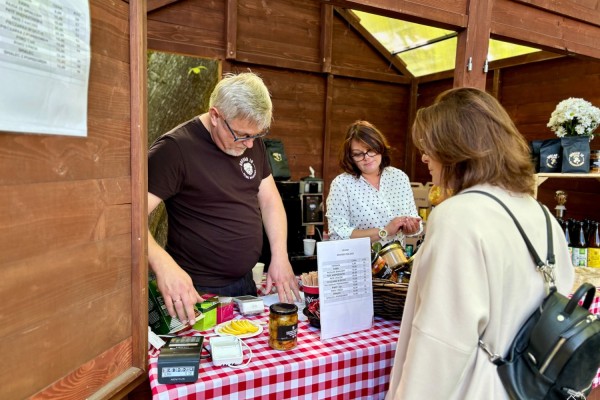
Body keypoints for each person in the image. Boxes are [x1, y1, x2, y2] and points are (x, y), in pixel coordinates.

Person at [385, 88, 574, 399]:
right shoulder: (542, 214)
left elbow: (440, 346)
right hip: (528, 388)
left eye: (429, 146)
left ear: (455, 149)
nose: (424, 156)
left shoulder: (457, 217)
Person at [148, 72, 300, 326]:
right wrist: (163, 264)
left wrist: (280, 255)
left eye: (256, 136)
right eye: (241, 135)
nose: (250, 145)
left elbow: (270, 202)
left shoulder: (251, 142)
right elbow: (128, 219)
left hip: (245, 282)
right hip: (195, 289)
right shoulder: (173, 150)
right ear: (216, 116)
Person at [326, 120, 422, 246]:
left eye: (370, 150)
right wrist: (384, 231)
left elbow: (415, 223)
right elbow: (337, 235)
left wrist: (412, 227)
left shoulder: (399, 177)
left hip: (397, 262)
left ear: (380, 147)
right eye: (358, 154)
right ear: (350, 157)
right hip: (360, 263)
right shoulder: (341, 184)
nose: (366, 157)